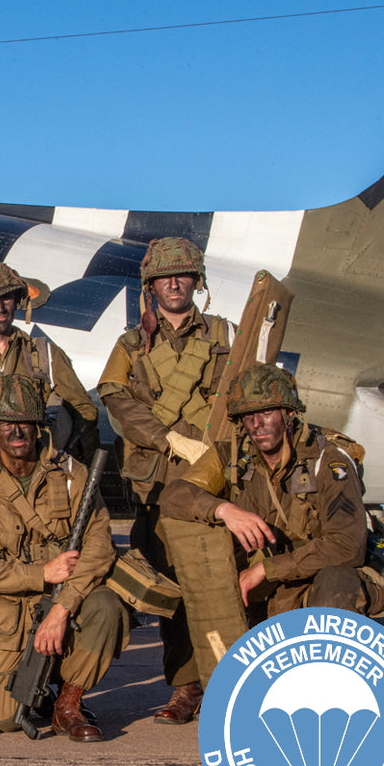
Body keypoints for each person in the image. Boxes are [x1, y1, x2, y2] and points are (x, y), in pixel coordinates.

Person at [0, 374, 127, 741]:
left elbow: (99, 543)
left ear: (39, 426)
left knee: (108, 606)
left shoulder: (72, 474)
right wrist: (40, 574)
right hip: (6, 612)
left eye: (26, 422)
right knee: (2, 718)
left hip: (66, 600)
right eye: (7, 423)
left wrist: (62, 608)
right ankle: (41, 692)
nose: (17, 431)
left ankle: (68, 702)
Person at [96, 237, 233, 725]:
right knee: (169, 592)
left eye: (183, 275)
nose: (174, 284)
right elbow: (116, 399)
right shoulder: (132, 345)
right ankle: (185, 687)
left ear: (197, 281)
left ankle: (232, 683)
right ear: (150, 286)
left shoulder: (223, 335)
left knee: (218, 587)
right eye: (164, 277)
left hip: (210, 483)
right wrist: (168, 438)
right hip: (156, 486)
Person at [160, 363, 380, 621]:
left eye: (266, 412)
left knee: (336, 581)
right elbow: (174, 495)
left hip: (314, 579)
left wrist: (267, 569)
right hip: (262, 585)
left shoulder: (328, 459)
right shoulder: (231, 454)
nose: (256, 424)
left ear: (288, 413)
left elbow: (346, 545)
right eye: (248, 415)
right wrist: (224, 509)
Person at [0, 262, 98, 464]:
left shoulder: (46, 354)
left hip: (34, 467)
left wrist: (55, 451)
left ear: (16, 302)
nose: (0, 307)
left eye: (6, 297)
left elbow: (84, 410)